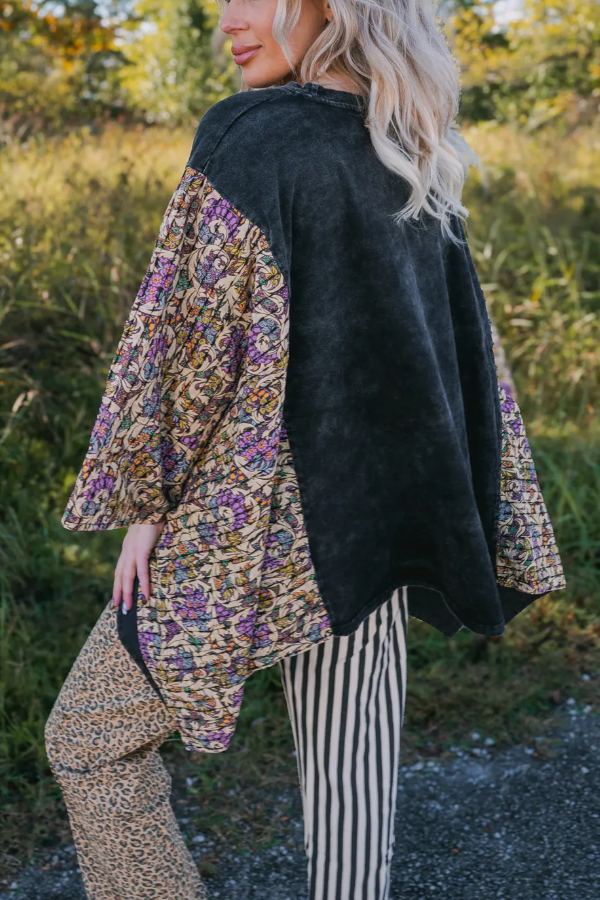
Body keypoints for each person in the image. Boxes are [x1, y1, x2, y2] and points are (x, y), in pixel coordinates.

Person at [45, 0, 567, 897]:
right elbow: (456, 356)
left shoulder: (252, 137)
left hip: (251, 528)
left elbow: (190, 342)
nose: (228, 19)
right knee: (349, 794)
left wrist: (148, 502)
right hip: (380, 526)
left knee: (90, 739)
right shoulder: (412, 149)